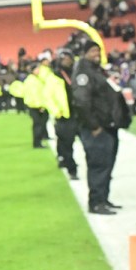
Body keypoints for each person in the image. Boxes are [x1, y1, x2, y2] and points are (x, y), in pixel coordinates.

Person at [72, 39, 132, 215]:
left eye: (98, 51)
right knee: (98, 165)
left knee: (107, 165)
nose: (96, 54)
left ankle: (103, 199)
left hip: (108, 125)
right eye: (92, 51)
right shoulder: (83, 72)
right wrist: (94, 125)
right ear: (84, 53)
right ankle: (96, 203)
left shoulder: (98, 71)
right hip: (97, 128)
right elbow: (82, 101)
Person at [52, 50, 80, 180]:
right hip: (64, 115)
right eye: (65, 59)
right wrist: (57, 112)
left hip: (79, 113)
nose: (67, 61)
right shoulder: (55, 76)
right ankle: (71, 169)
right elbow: (49, 96)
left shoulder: (77, 73)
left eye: (69, 59)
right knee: (67, 143)